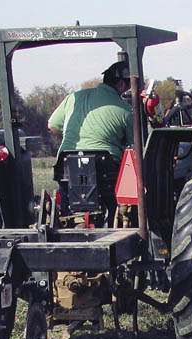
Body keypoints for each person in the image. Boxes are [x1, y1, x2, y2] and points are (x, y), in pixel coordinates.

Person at [48, 61, 133, 224]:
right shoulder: (125, 110)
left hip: (66, 165)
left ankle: (68, 223)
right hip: (107, 170)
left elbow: (52, 126)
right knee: (114, 199)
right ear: (121, 84)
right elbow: (134, 142)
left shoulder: (73, 97)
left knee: (67, 203)